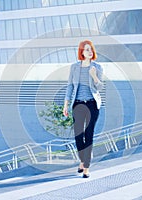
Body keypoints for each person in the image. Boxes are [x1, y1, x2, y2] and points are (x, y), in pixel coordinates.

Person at [63, 40, 103, 178]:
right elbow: (70, 86)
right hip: (78, 104)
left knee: (89, 135)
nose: (90, 51)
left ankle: (86, 167)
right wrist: (66, 104)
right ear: (81, 52)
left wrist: (93, 76)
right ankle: (82, 160)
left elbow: (100, 87)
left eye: (91, 49)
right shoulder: (74, 67)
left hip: (92, 105)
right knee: (78, 136)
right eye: (86, 49)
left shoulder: (97, 67)